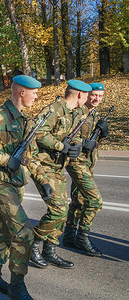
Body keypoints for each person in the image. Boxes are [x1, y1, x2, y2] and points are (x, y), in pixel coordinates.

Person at [0, 75, 52, 299]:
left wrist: (43, 181)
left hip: (16, 182)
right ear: (21, 92)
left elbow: (30, 155)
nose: (36, 96)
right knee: (23, 232)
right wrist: (6, 160)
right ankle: (16, 287)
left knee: (3, 229)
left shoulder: (24, 120)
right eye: (34, 92)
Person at [30, 79, 91, 270]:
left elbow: (75, 137)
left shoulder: (76, 113)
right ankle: (32, 243)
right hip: (44, 166)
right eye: (87, 95)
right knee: (58, 209)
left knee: (61, 212)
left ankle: (50, 250)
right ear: (80, 95)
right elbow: (37, 132)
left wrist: (75, 147)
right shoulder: (54, 109)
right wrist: (60, 146)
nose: (89, 99)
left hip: (58, 167)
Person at [63, 82, 108, 257]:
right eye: (93, 95)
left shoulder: (93, 114)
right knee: (94, 201)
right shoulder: (78, 112)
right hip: (76, 163)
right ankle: (83, 236)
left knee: (78, 200)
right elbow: (67, 138)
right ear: (86, 95)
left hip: (88, 163)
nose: (96, 99)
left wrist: (102, 135)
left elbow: (92, 144)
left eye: (100, 96)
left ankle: (69, 235)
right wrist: (83, 144)